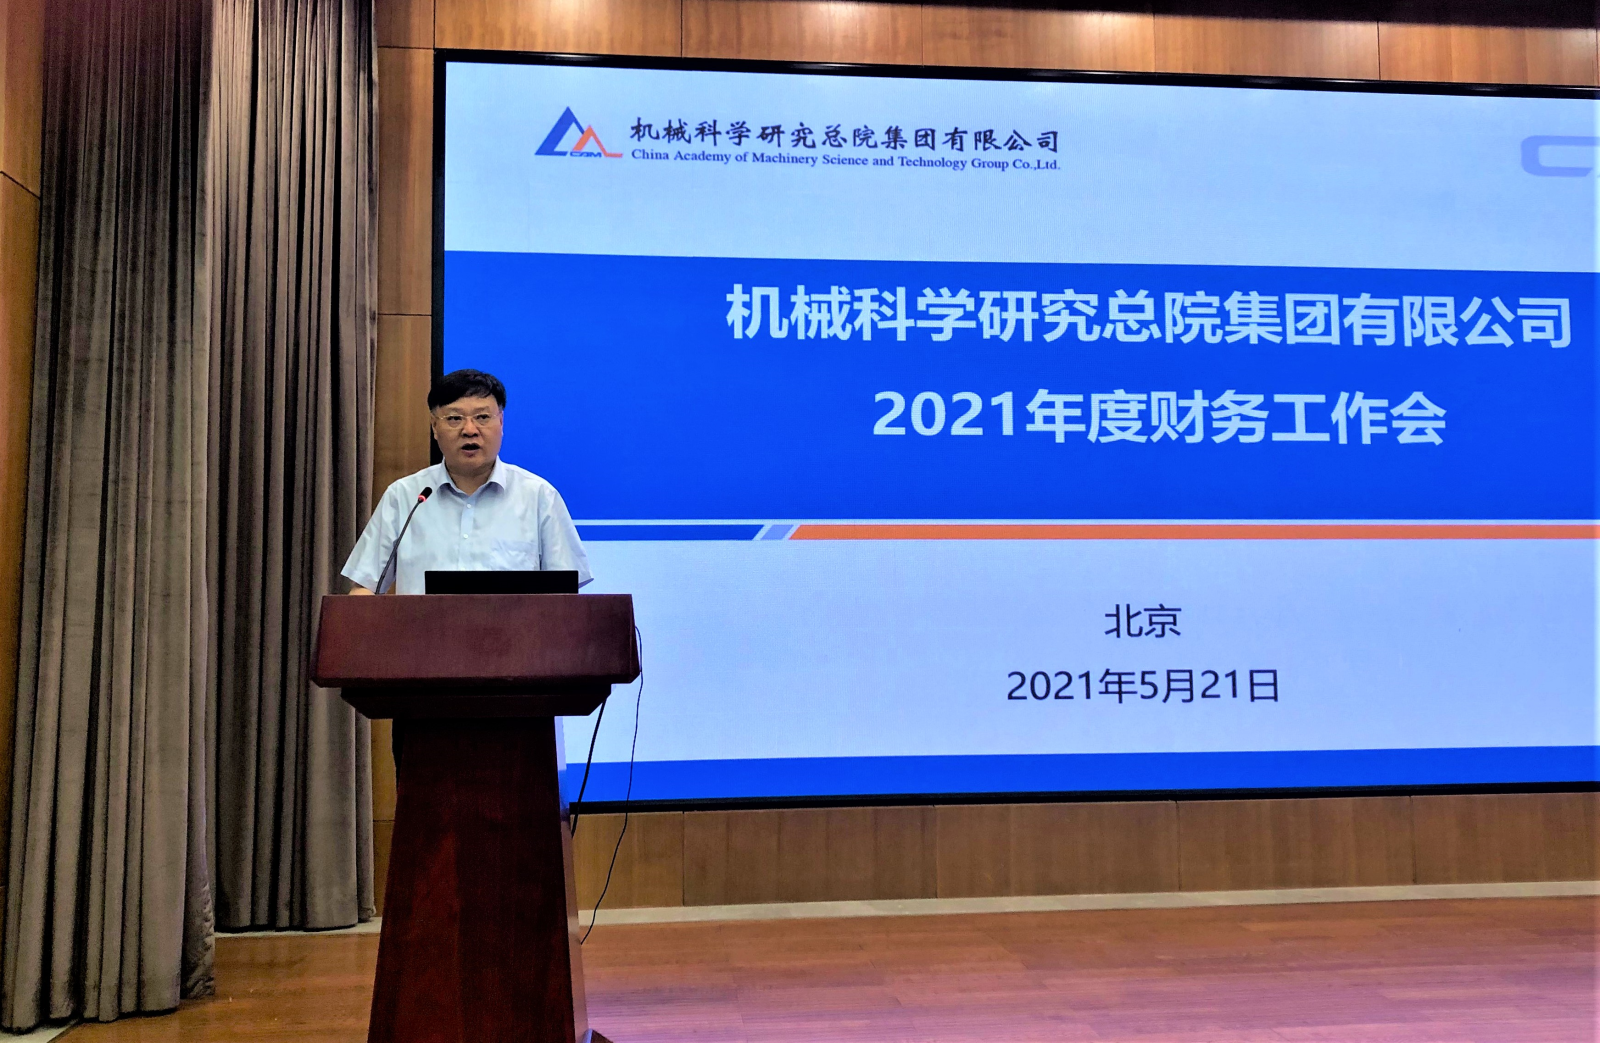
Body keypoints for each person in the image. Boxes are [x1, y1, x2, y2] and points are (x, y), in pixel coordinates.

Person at [342, 368, 590, 594]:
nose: (470, 430)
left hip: (514, 632)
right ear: (434, 427)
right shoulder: (405, 497)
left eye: (482, 417)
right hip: (423, 631)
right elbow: (364, 588)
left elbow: (566, 595)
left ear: (501, 422)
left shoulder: (539, 497)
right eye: (454, 418)